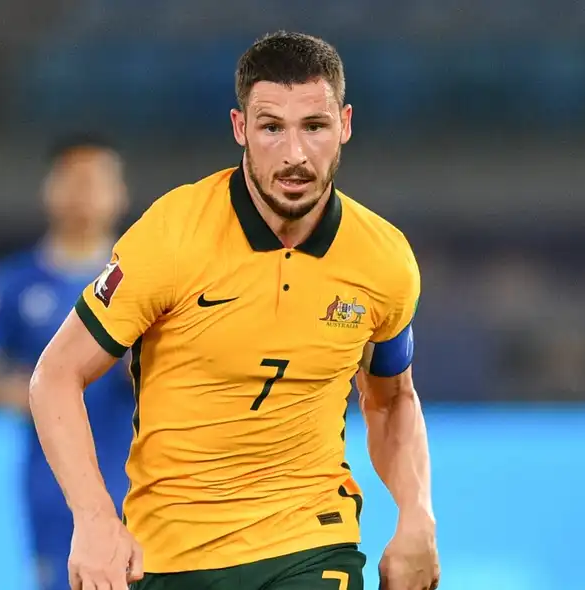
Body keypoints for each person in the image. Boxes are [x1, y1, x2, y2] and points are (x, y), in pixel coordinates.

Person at [29, 32, 440, 590]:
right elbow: (55, 375)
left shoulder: (383, 260)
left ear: (344, 124)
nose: (294, 156)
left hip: (311, 542)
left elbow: (392, 400)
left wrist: (417, 515)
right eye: (272, 128)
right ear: (240, 128)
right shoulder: (173, 235)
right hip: (171, 556)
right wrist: (95, 519)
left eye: (314, 127)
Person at [0, 134, 134, 590]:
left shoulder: (144, 279)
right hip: (55, 489)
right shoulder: (14, 283)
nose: (85, 194)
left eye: (97, 182)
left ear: (120, 193)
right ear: (50, 190)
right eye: (74, 181)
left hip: (139, 480)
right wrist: (18, 391)